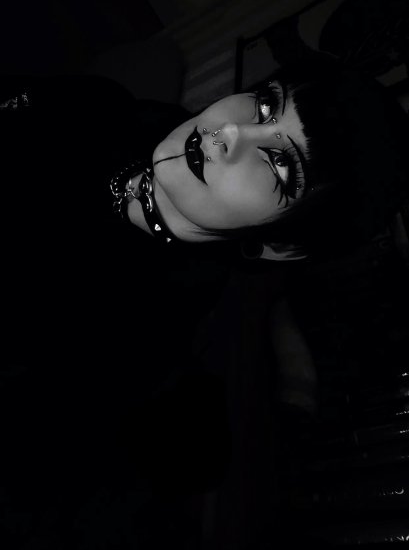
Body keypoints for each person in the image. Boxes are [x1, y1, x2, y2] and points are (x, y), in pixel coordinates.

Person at [0, 52, 408, 539]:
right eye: (265, 106)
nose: (230, 133)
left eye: (281, 164)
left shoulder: (122, 334)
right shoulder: (111, 108)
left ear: (280, 245)